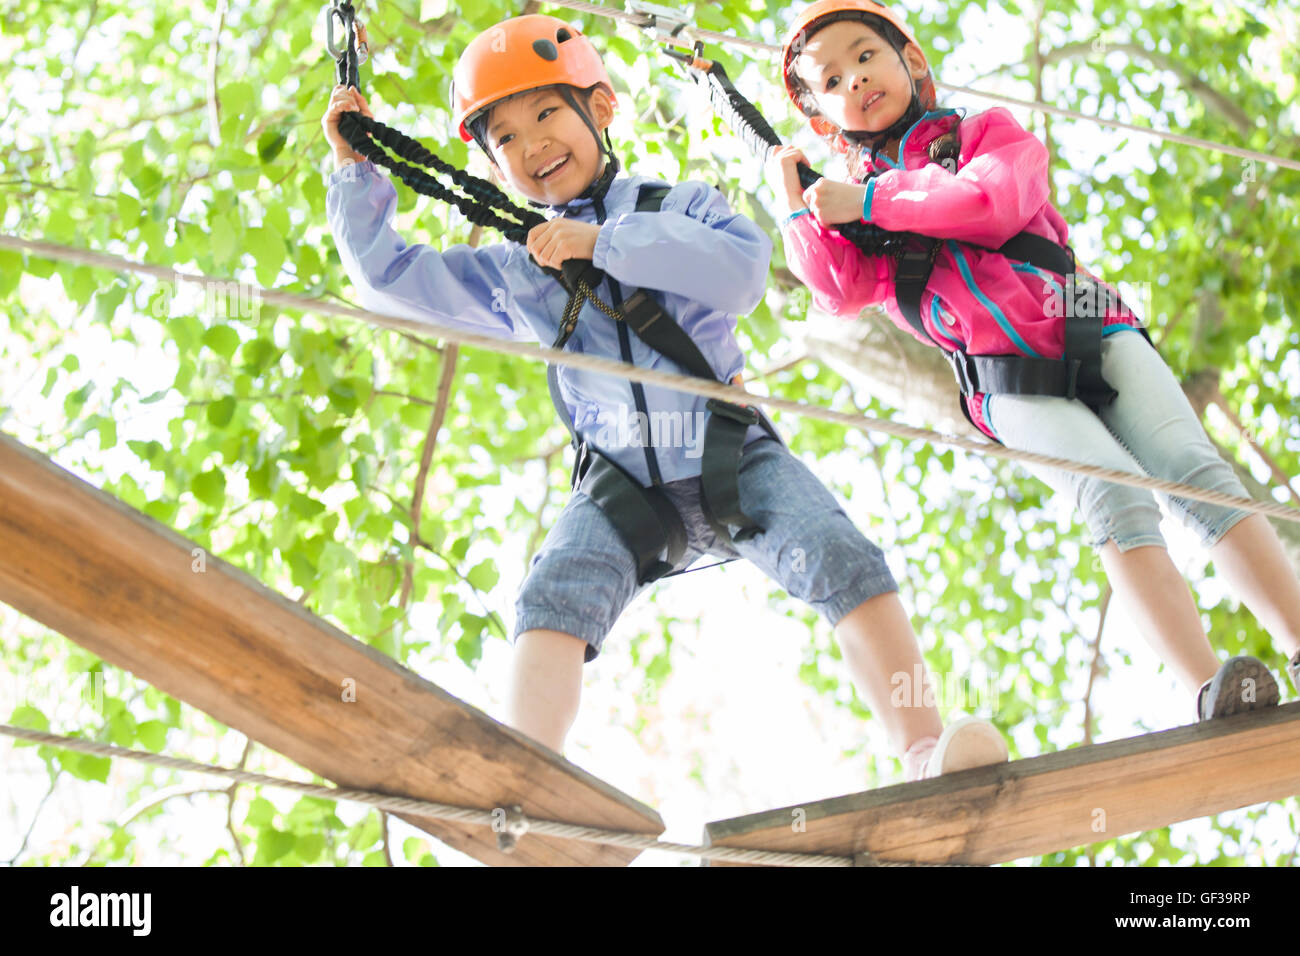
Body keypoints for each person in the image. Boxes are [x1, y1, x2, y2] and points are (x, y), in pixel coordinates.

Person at [321, 13, 1009, 780]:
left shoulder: (681, 204)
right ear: (488, 164)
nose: (533, 145)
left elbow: (740, 274)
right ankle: (525, 778)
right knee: (553, 595)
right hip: (621, 485)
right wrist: (354, 170)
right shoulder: (518, 267)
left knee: (839, 554)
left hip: (731, 455)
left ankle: (924, 751)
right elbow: (389, 278)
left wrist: (602, 244)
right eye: (505, 139)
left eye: (547, 114)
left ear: (601, 110)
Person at [766, 0, 1300, 719]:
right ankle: (1211, 689)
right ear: (824, 120)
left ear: (910, 62)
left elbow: (992, 201)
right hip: (1000, 375)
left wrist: (871, 196)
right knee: (1111, 498)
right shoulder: (850, 220)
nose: (854, 79)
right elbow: (835, 289)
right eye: (829, 81)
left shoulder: (981, 133)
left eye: (865, 56)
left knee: (1192, 470)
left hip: (1086, 320)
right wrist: (798, 207)